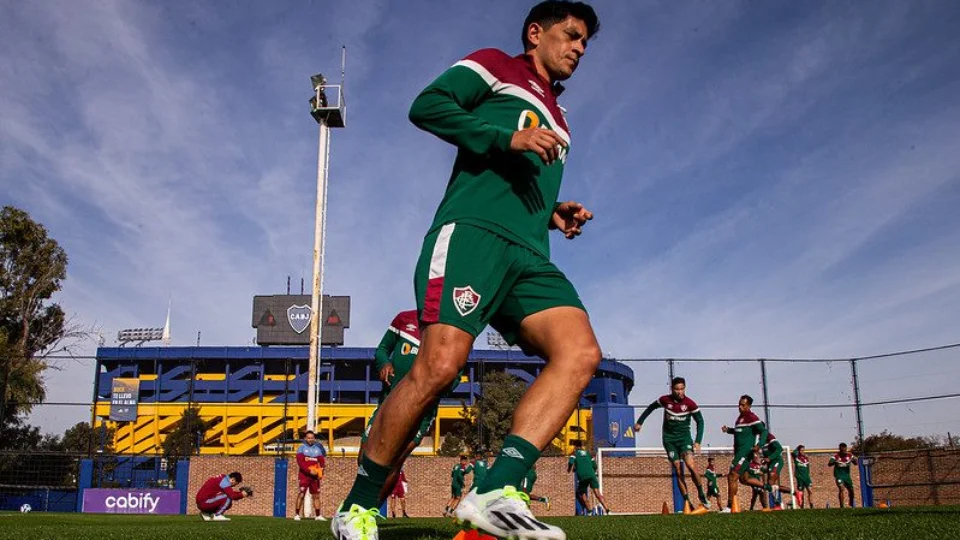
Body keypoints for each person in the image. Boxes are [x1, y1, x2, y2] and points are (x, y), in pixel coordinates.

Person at [332, 2, 602, 539]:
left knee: (580, 353)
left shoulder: (560, 113)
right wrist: (505, 137)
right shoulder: (497, 65)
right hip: (472, 235)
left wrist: (552, 212)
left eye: (584, 43)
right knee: (438, 366)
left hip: (529, 253)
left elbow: (519, 181)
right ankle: (357, 507)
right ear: (536, 32)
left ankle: (495, 490)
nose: (578, 48)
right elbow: (427, 106)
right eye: (571, 35)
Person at [360, 309, 447, 504]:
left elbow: (455, 376)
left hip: (421, 412)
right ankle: (359, 504)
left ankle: (370, 509)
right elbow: (382, 349)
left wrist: (434, 386)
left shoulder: (448, 330)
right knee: (365, 454)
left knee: (395, 461)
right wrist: (384, 364)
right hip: (389, 401)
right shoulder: (404, 319)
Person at [634, 377, 709, 513]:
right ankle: (687, 501)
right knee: (678, 469)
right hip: (669, 440)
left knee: (691, 465)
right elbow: (651, 408)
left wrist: (698, 441)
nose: (680, 392)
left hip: (684, 439)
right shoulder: (665, 400)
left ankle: (701, 494)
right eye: (677, 389)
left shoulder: (690, 404)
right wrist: (640, 422)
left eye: (682, 389)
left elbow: (700, 421)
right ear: (672, 389)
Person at [720, 395, 768, 513]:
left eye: (743, 405)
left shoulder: (752, 417)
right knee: (744, 479)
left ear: (749, 406)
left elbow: (764, 431)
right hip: (738, 453)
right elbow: (740, 432)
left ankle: (729, 506)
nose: (740, 407)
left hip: (745, 453)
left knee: (732, 476)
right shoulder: (740, 418)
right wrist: (729, 430)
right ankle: (767, 486)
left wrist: (759, 445)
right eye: (739, 404)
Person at [567, 441, 609, 515]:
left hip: (582, 476)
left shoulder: (574, 453)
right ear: (581, 446)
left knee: (582, 493)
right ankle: (608, 510)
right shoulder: (588, 453)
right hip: (591, 475)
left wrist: (569, 469)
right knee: (597, 493)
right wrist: (592, 471)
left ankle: (589, 511)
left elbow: (571, 462)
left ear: (575, 447)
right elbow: (595, 466)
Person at [295, 430, 327, 521]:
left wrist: (321, 471)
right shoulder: (301, 448)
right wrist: (309, 471)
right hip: (304, 476)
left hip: (315, 477)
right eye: (308, 438)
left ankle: (318, 516)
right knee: (301, 494)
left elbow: (322, 462)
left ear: (314, 439)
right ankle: (297, 515)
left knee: (316, 496)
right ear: (305, 438)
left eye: (312, 438)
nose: (310, 439)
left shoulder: (318, 449)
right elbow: (300, 463)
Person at [759, 431, 794, 509]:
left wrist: (769, 458)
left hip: (777, 461)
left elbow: (779, 448)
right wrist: (765, 461)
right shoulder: (761, 440)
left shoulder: (769, 436)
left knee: (771, 480)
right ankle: (793, 492)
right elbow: (766, 454)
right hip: (770, 463)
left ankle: (777, 504)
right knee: (770, 484)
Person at [828, 442, 858, 508]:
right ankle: (842, 506)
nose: (844, 451)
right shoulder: (836, 456)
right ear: (840, 450)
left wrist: (855, 460)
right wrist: (835, 462)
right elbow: (829, 464)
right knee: (841, 488)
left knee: (851, 490)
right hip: (839, 476)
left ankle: (851, 503)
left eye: (845, 450)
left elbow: (856, 463)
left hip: (847, 476)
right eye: (842, 450)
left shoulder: (849, 455)